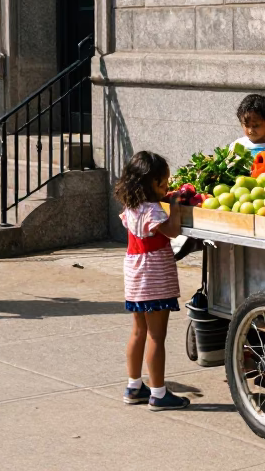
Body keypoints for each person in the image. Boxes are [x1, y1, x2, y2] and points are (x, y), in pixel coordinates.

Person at [115, 150, 190, 410]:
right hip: (154, 275)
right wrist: (177, 207)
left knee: (138, 331)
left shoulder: (132, 206)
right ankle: (158, 393)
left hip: (135, 275)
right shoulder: (152, 209)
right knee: (157, 336)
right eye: (163, 183)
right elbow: (172, 231)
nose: (166, 187)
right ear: (150, 184)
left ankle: (134, 386)